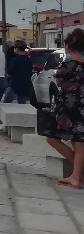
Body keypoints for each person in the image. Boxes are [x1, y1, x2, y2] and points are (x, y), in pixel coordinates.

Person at [46, 28, 84, 187]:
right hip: (81, 106)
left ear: (68, 47)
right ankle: (78, 174)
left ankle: (77, 176)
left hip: (68, 108)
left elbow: (59, 82)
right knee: (79, 141)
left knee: (53, 138)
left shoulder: (67, 66)